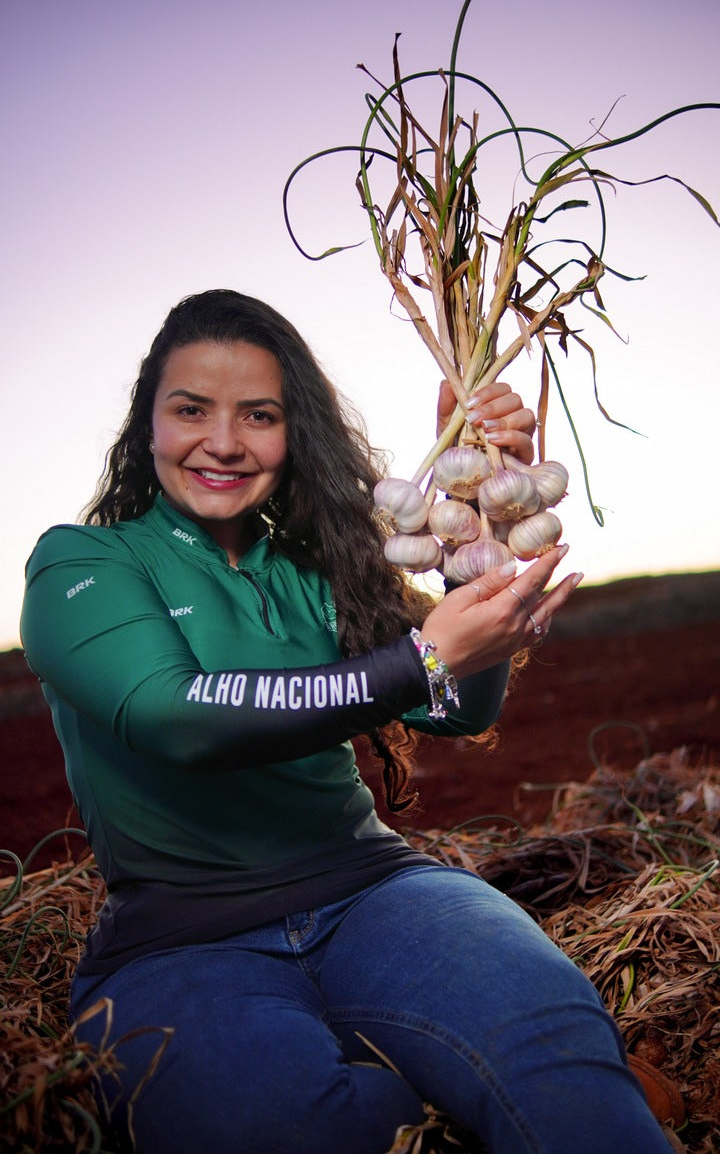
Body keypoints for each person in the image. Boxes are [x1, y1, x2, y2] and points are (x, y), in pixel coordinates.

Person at [21, 289, 673, 1154]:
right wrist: (424, 657)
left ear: (295, 435)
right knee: (288, 1129)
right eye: (191, 411)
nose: (222, 442)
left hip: (380, 895)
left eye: (259, 415)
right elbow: (172, 717)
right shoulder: (83, 561)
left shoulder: (313, 567)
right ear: (149, 425)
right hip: (178, 944)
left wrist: (477, 529)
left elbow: (450, 705)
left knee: (556, 1051)